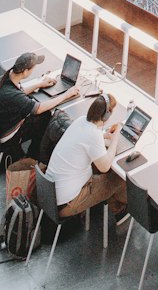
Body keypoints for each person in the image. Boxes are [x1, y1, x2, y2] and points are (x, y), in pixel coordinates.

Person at [46, 93, 128, 224]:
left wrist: (105, 135)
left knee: (101, 170)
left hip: (50, 196)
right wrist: (116, 138)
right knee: (119, 178)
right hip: (68, 204)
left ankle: (112, 204)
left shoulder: (81, 121)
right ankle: (120, 211)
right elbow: (105, 166)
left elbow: (87, 138)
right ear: (106, 115)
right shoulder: (93, 135)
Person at [0, 51, 80, 159]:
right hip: (6, 136)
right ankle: (33, 155)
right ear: (25, 71)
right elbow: (39, 108)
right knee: (45, 116)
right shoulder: (15, 95)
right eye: (33, 68)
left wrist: (39, 84)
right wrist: (67, 94)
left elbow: (20, 92)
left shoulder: (7, 78)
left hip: (3, 124)